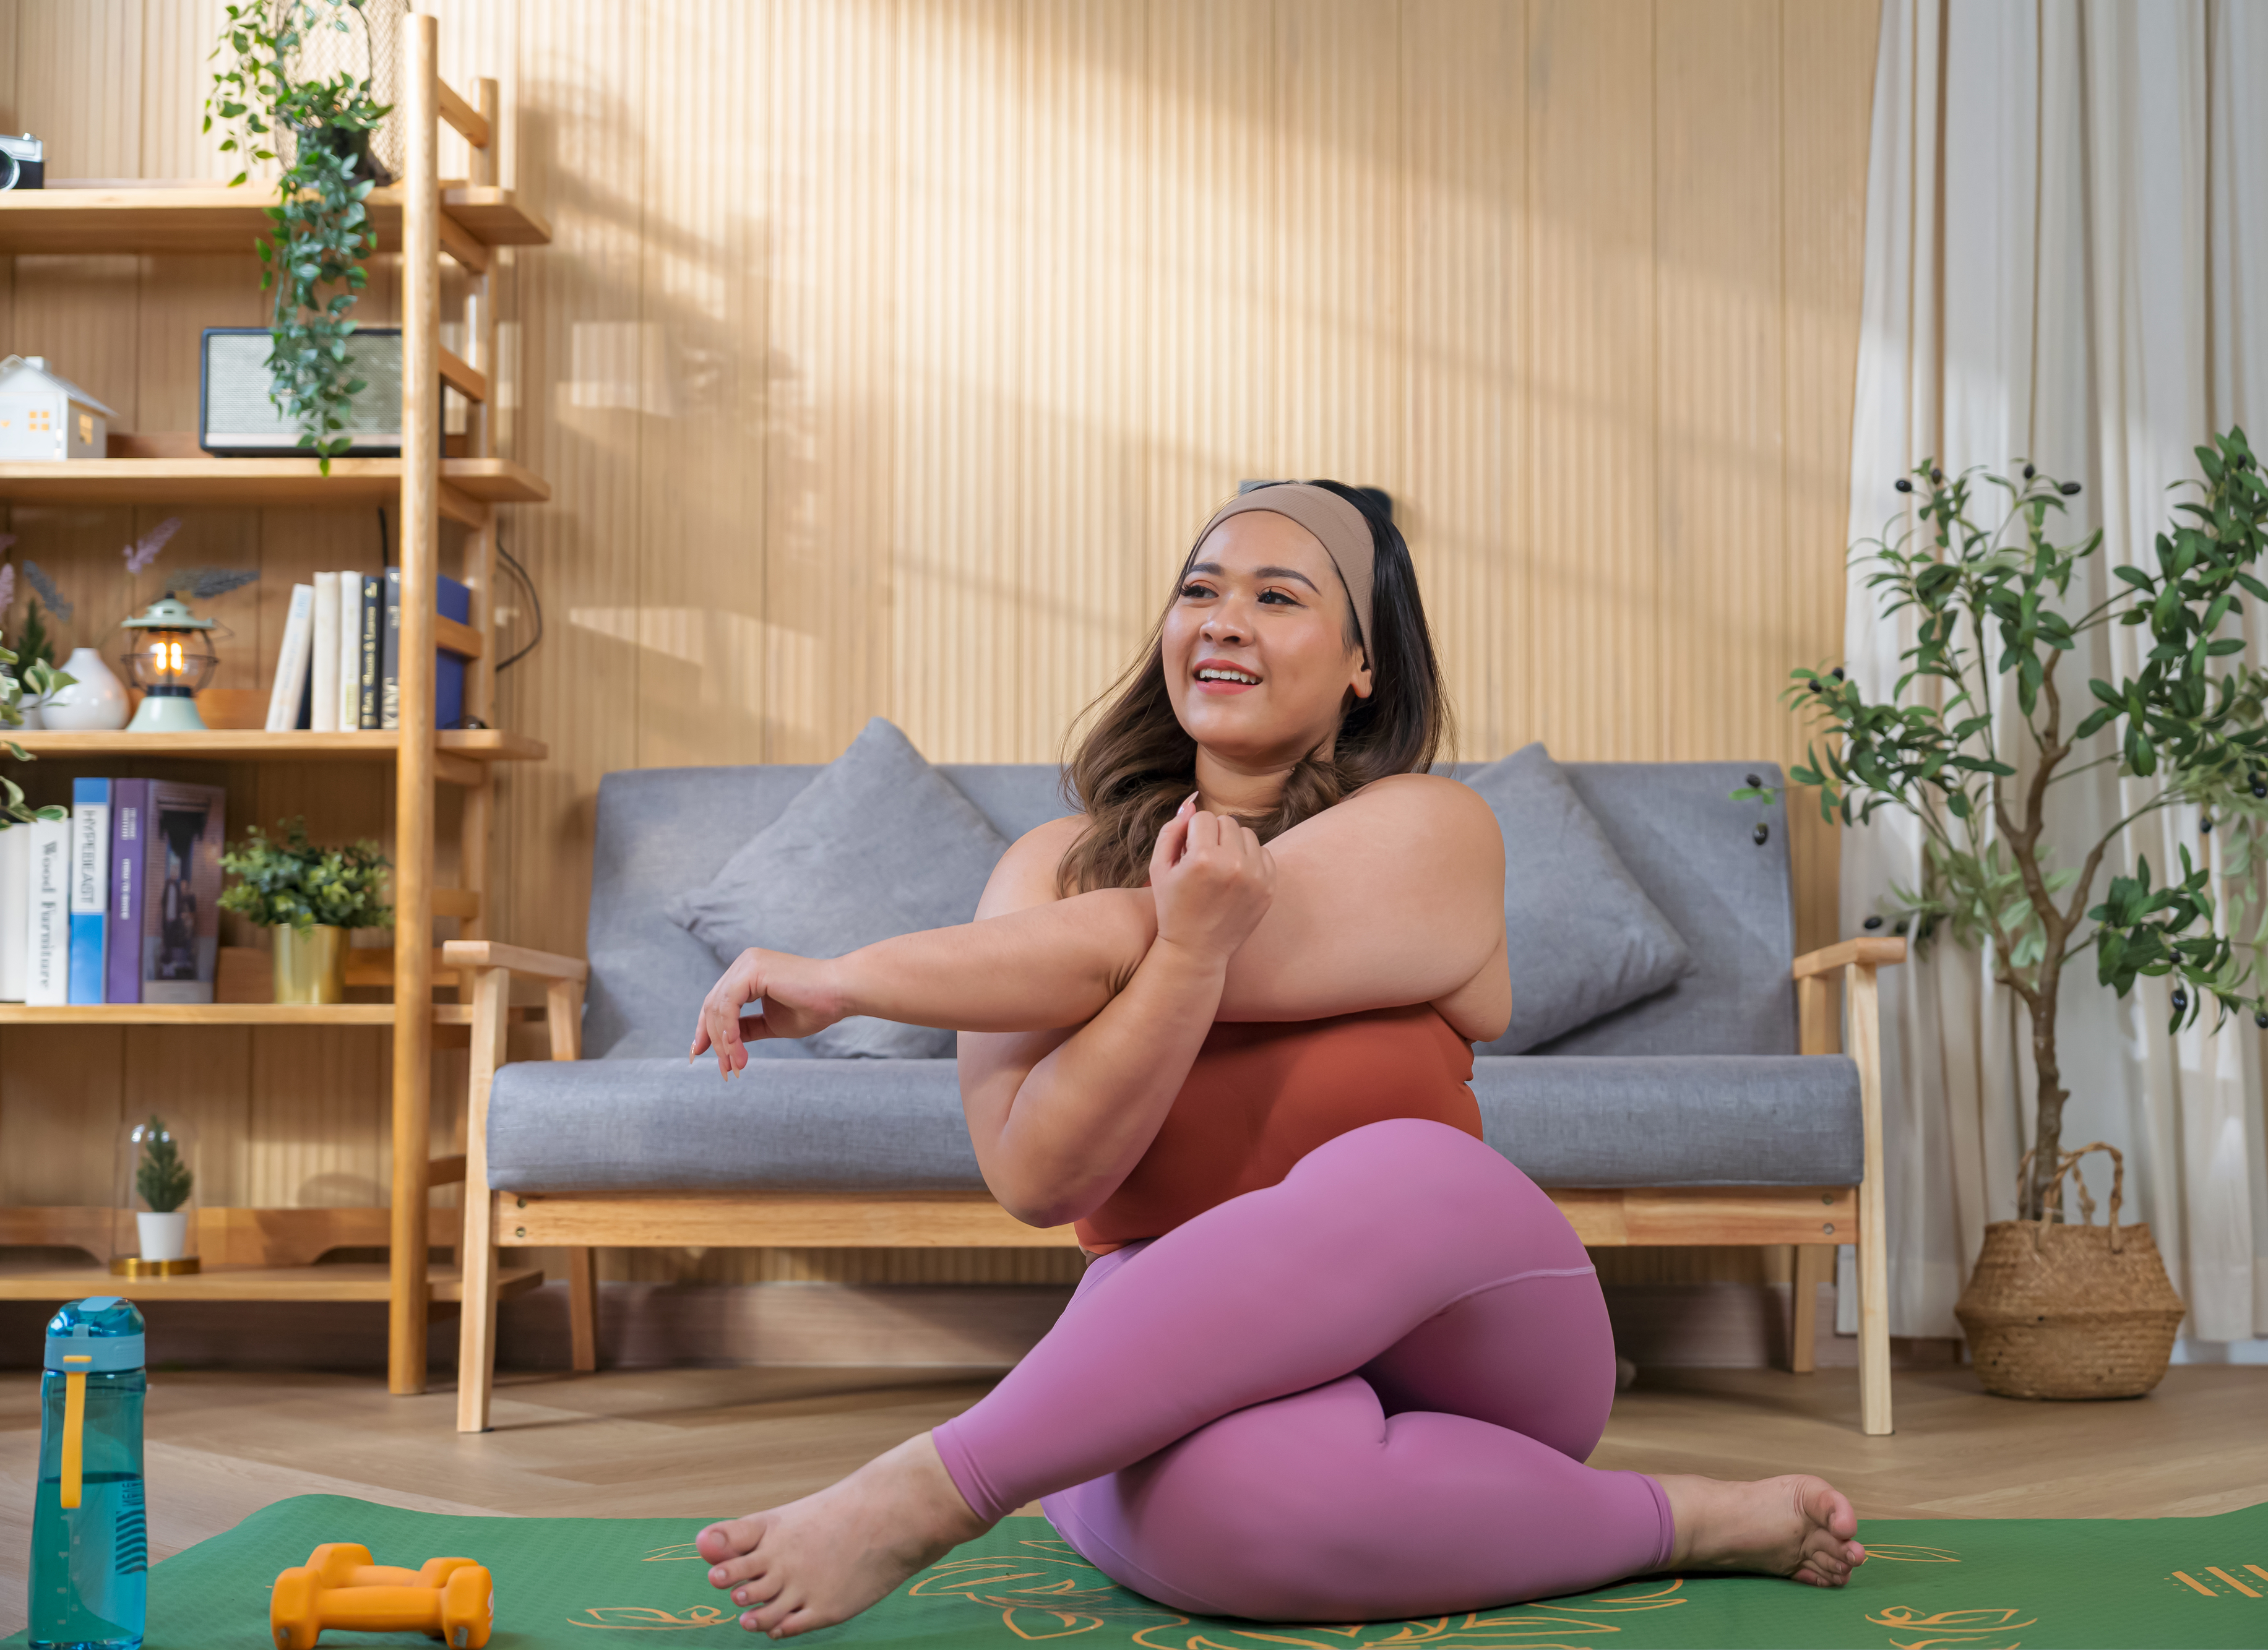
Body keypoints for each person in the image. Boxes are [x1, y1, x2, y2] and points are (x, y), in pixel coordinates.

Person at [686, 481, 1867, 1638]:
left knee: (1405, 1165)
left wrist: (846, 979)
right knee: (1241, 1518)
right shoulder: (1047, 871)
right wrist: (1192, 964)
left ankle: (934, 1490)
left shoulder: (1430, 828)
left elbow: (1118, 940)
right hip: (1172, 1341)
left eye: (1278, 595)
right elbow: (1041, 1182)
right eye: (1199, 589)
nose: (1224, 619)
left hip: (1475, 1339)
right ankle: (1687, 1522)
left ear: (1366, 666)